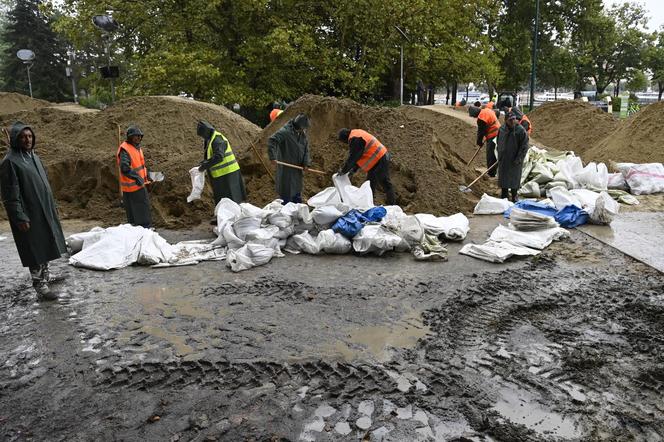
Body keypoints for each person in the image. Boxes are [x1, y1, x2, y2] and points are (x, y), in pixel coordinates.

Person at [0, 122, 67, 301]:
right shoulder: (9, 162)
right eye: (23, 137)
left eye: (29, 136)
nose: (27, 140)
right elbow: (10, 195)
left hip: (43, 209)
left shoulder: (33, 157)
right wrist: (19, 216)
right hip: (28, 213)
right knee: (34, 248)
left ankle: (46, 276)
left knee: (45, 244)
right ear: (15, 139)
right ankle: (40, 285)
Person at [337, 128, 396, 205]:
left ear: (345, 138)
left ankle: (392, 204)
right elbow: (358, 156)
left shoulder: (355, 139)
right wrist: (353, 170)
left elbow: (354, 157)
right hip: (376, 160)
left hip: (380, 157)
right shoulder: (357, 134)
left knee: (384, 181)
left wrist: (344, 170)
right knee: (370, 184)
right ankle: (369, 204)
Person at [197, 120, 247, 205]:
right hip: (221, 175)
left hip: (228, 173)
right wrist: (205, 163)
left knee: (232, 199)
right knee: (223, 199)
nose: (203, 138)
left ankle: (234, 216)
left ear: (206, 132)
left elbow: (219, 157)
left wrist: (205, 165)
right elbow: (212, 155)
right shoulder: (211, 139)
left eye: (203, 135)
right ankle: (224, 215)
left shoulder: (217, 139)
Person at [267, 114, 311, 204]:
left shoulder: (302, 134)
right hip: (286, 169)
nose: (304, 130)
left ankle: (297, 208)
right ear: (299, 127)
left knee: (297, 190)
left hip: (297, 168)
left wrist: (306, 163)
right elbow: (272, 140)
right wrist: (272, 157)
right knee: (286, 191)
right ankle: (285, 210)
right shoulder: (285, 132)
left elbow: (306, 149)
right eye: (303, 128)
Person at [117, 126, 153, 228]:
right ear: (130, 137)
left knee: (137, 213)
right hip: (134, 188)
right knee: (141, 212)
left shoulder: (136, 148)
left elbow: (139, 166)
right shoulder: (125, 149)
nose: (138, 138)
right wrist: (136, 178)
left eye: (139, 136)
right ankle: (145, 231)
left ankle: (140, 232)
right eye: (135, 136)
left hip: (137, 186)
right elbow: (124, 168)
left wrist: (148, 175)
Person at [497, 111, 529, 202]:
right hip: (504, 158)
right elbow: (499, 142)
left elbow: (524, 146)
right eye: (510, 120)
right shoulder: (502, 129)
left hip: (515, 158)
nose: (513, 121)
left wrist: (519, 158)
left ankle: (514, 195)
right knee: (503, 177)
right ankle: (504, 194)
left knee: (514, 177)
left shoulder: (520, 130)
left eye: (514, 119)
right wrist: (500, 154)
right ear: (506, 120)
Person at [469, 106, 501, 177]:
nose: (474, 117)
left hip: (493, 135)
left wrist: (479, 142)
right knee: (495, 154)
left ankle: (491, 173)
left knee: (491, 154)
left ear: (475, 114)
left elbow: (480, 132)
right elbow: (496, 113)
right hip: (499, 132)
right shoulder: (486, 110)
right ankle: (493, 171)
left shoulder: (481, 118)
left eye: (473, 116)